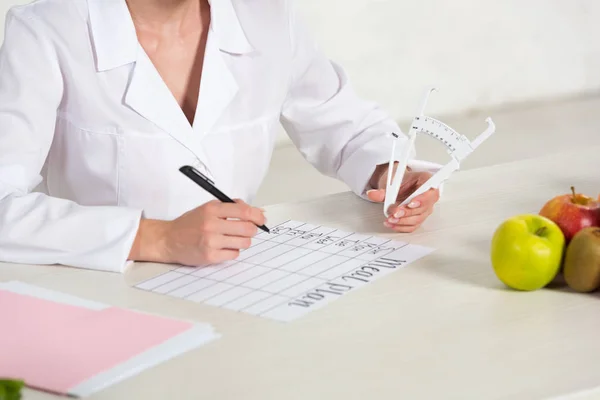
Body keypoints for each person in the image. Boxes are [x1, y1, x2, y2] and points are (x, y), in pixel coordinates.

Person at [0, 0, 440, 273]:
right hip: (102, 288)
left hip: (235, 284)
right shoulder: (47, 31)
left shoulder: (267, 15)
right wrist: (156, 237)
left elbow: (343, 123)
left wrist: (389, 171)